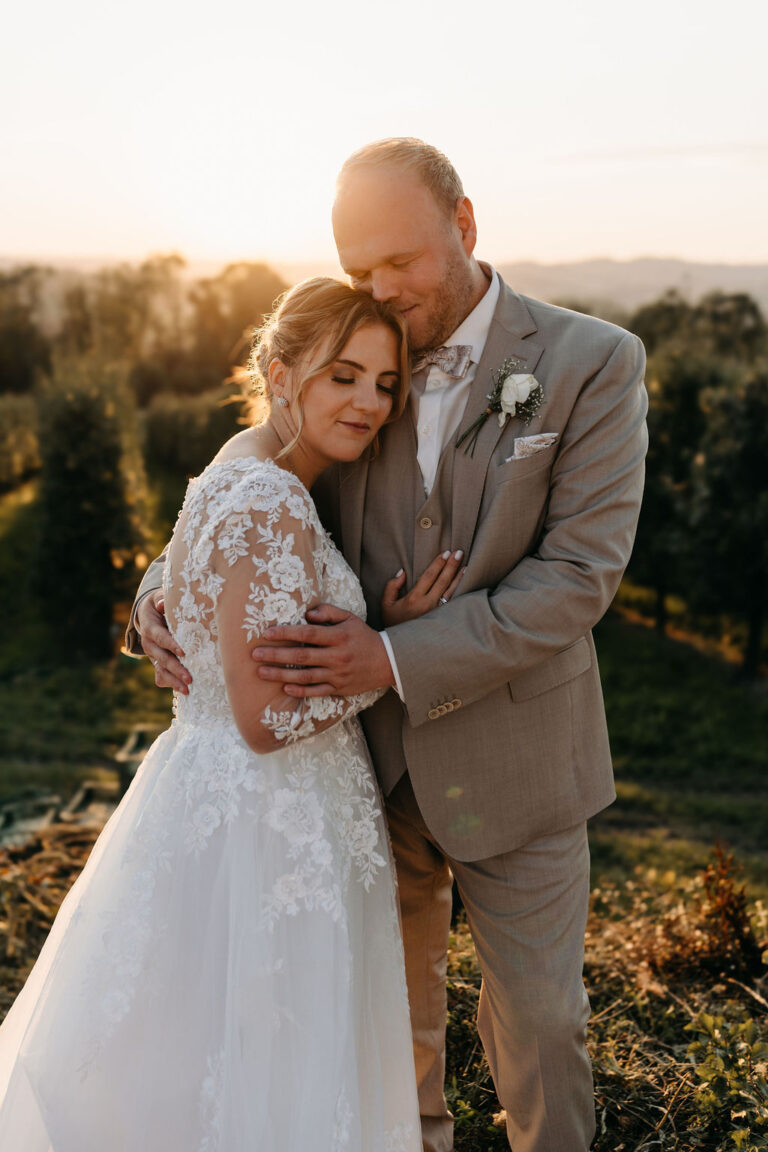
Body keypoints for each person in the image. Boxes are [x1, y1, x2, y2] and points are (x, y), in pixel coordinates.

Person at [131, 139, 649, 1152]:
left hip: (519, 760)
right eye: (359, 268)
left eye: (401, 261)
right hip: (367, 770)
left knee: (543, 1024)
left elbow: (578, 576)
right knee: (387, 1027)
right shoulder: (361, 350)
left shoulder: (594, 361)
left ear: (464, 224)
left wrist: (393, 657)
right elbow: (258, 474)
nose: (382, 289)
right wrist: (162, 586)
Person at [0, 278, 467, 1151]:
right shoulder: (271, 499)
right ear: (281, 374)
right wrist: (386, 658)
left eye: (384, 384)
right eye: (343, 377)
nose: (369, 403)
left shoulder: (242, 461)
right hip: (269, 823)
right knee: (264, 1057)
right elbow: (263, 719)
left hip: (226, 801)